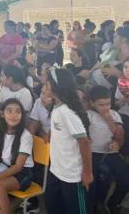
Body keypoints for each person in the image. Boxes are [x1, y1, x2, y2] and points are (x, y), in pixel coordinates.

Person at [45, 68, 93, 214]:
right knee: (54, 207)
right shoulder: (57, 107)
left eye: (47, 83)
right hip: (56, 170)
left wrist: (87, 173)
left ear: (57, 86)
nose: (45, 86)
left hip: (72, 175)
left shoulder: (67, 111)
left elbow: (84, 142)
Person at [0, 98, 35, 214]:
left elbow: (18, 166)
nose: (13, 115)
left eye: (18, 112)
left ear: (22, 115)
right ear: (2, 113)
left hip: (23, 172)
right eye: (9, 111)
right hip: (4, 165)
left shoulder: (25, 136)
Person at [86, 85, 129, 214]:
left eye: (108, 104)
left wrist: (116, 143)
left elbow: (121, 137)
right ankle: (97, 204)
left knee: (126, 181)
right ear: (92, 103)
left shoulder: (114, 115)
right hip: (93, 153)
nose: (106, 108)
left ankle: (113, 202)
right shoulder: (88, 116)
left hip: (111, 153)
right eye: (101, 104)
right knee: (101, 177)